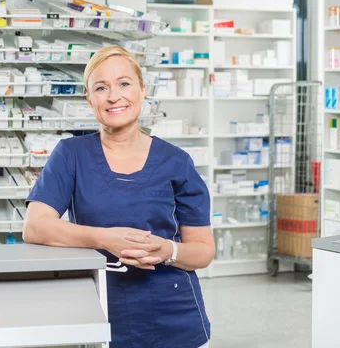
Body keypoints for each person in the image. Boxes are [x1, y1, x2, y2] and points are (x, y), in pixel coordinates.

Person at [23, 45, 214, 348]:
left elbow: (203, 251)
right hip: (99, 308)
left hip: (175, 318)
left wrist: (168, 251)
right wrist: (105, 239)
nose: (114, 96)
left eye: (124, 83)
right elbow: (35, 227)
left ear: (142, 89)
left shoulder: (176, 161)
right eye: (101, 87)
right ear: (89, 98)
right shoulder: (71, 155)